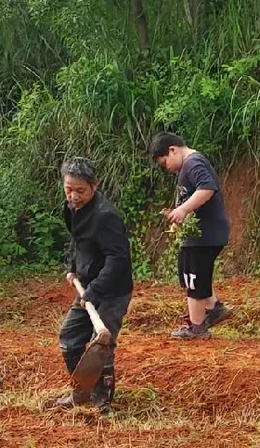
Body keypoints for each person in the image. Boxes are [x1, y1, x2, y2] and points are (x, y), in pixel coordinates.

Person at [50, 156, 133, 411]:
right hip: (87, 287)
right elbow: (77, 240)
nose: (73, 196)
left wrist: (95, 290)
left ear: (94, 186)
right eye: (68, 189)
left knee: (102, 345)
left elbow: (118, 258)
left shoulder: (106, 216)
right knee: (70, 339)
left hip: (111, 290)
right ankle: (81, 392)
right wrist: (72, 267)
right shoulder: (72, 208)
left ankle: (102, 402)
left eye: (80, 191)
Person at [148, 132, 234, 340]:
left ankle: (196, 328)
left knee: (193, 276)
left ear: (172, 150)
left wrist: (183, 209)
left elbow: (207, 188)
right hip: (200, 235)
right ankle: (213, 308)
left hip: (205, 235)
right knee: (190, 270)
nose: (166, 168)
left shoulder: (193, 162)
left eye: (164, 163)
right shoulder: (189, 165)